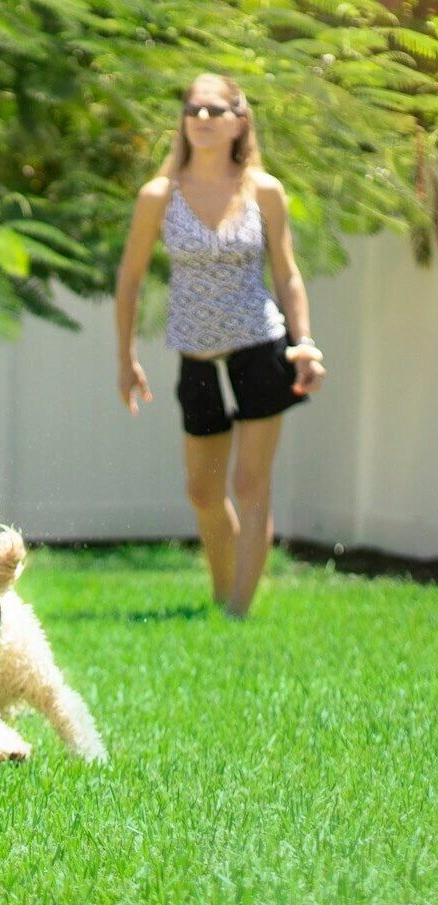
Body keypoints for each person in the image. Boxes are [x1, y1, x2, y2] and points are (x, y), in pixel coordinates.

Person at [114, 73, 326, 618]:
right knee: (203, 493)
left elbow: (287, 274)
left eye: (215, 110)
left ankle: (238, 610)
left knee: (251, 484)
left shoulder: (265, 190)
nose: (202, 120)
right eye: (193, 110)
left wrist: (304, 345)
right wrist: (126, 358)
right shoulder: (159, 196)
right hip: (196, 353)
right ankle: (222, 587)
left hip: (260, 347)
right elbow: (131, 278)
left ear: (239, 120)